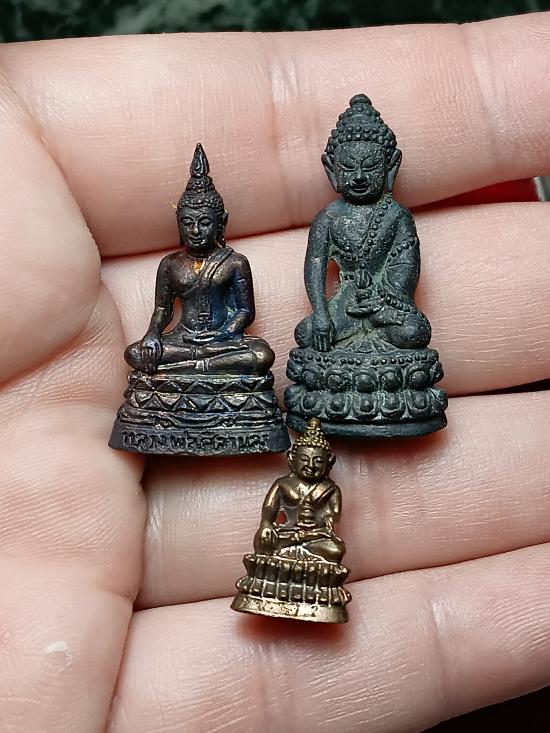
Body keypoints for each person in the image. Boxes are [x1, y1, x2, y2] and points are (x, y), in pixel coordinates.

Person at [1, 12, 550, 732]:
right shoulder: (224, 250)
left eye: (369, 163)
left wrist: (382, 303)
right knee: (268, 347)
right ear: (332, 167)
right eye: (348, 164)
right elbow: (282, 286)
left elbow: (370, 284)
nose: (358, 174)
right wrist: (314, 315)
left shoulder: (385, 219)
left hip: (377, 317)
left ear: (387, 166)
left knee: (302, 350)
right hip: (278, 333)